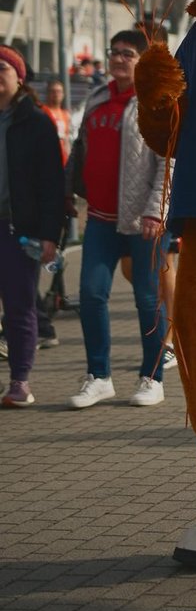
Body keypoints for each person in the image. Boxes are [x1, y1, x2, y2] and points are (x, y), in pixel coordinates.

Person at [66, 30, 170, 409]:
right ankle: (99, 376)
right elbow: (80, 149)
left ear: (143, 61)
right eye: (115, 52)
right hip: (99, 217)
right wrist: (67, 191)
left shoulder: (156, 102)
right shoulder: (97, 98)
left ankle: (152, 377)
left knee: (147, 298)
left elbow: (168, 162)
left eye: (128, 53)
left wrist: (155, 210)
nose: (119, 59)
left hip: (143, 221)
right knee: (91, 295)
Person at [0, 46, 65, 407]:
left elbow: (52, 184)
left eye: (2, 68)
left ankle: (19, 382)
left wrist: (49, 236)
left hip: (18, 228)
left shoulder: (36, 122)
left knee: (19, 304)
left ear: (19, 77)